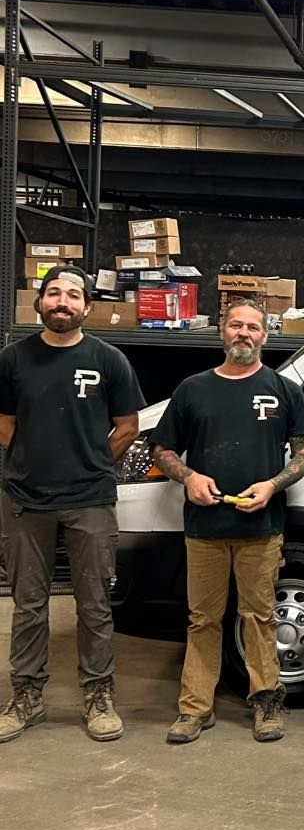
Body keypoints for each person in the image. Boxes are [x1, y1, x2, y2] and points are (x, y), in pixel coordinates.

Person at [151, 301, 304, 744]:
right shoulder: (192, 390)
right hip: (205, 528)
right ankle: (194, 708)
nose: (244, 333)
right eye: (236, 325)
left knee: (260, 616)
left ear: (266, 335)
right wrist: (188, 476)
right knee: (203, 619)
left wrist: (273, 486)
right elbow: (162, 450)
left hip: (261, 528)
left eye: (253, 327)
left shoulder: (284, 389)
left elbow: (303, 455)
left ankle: (266, 703)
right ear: (223, 332)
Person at [0, 265, 143, 743]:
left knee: (95, 604)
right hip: (26, 500)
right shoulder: (13, 359)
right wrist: (29, 462)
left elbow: (128, 427)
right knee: (28, 605)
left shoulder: (109, 360)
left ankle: (99, 696)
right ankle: (26, 697)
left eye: (73, 295)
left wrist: (90, 461)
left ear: (86, 306)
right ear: (40, 303)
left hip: (90, 500)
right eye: (54, 293)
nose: (63, 301)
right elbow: (3, 424)